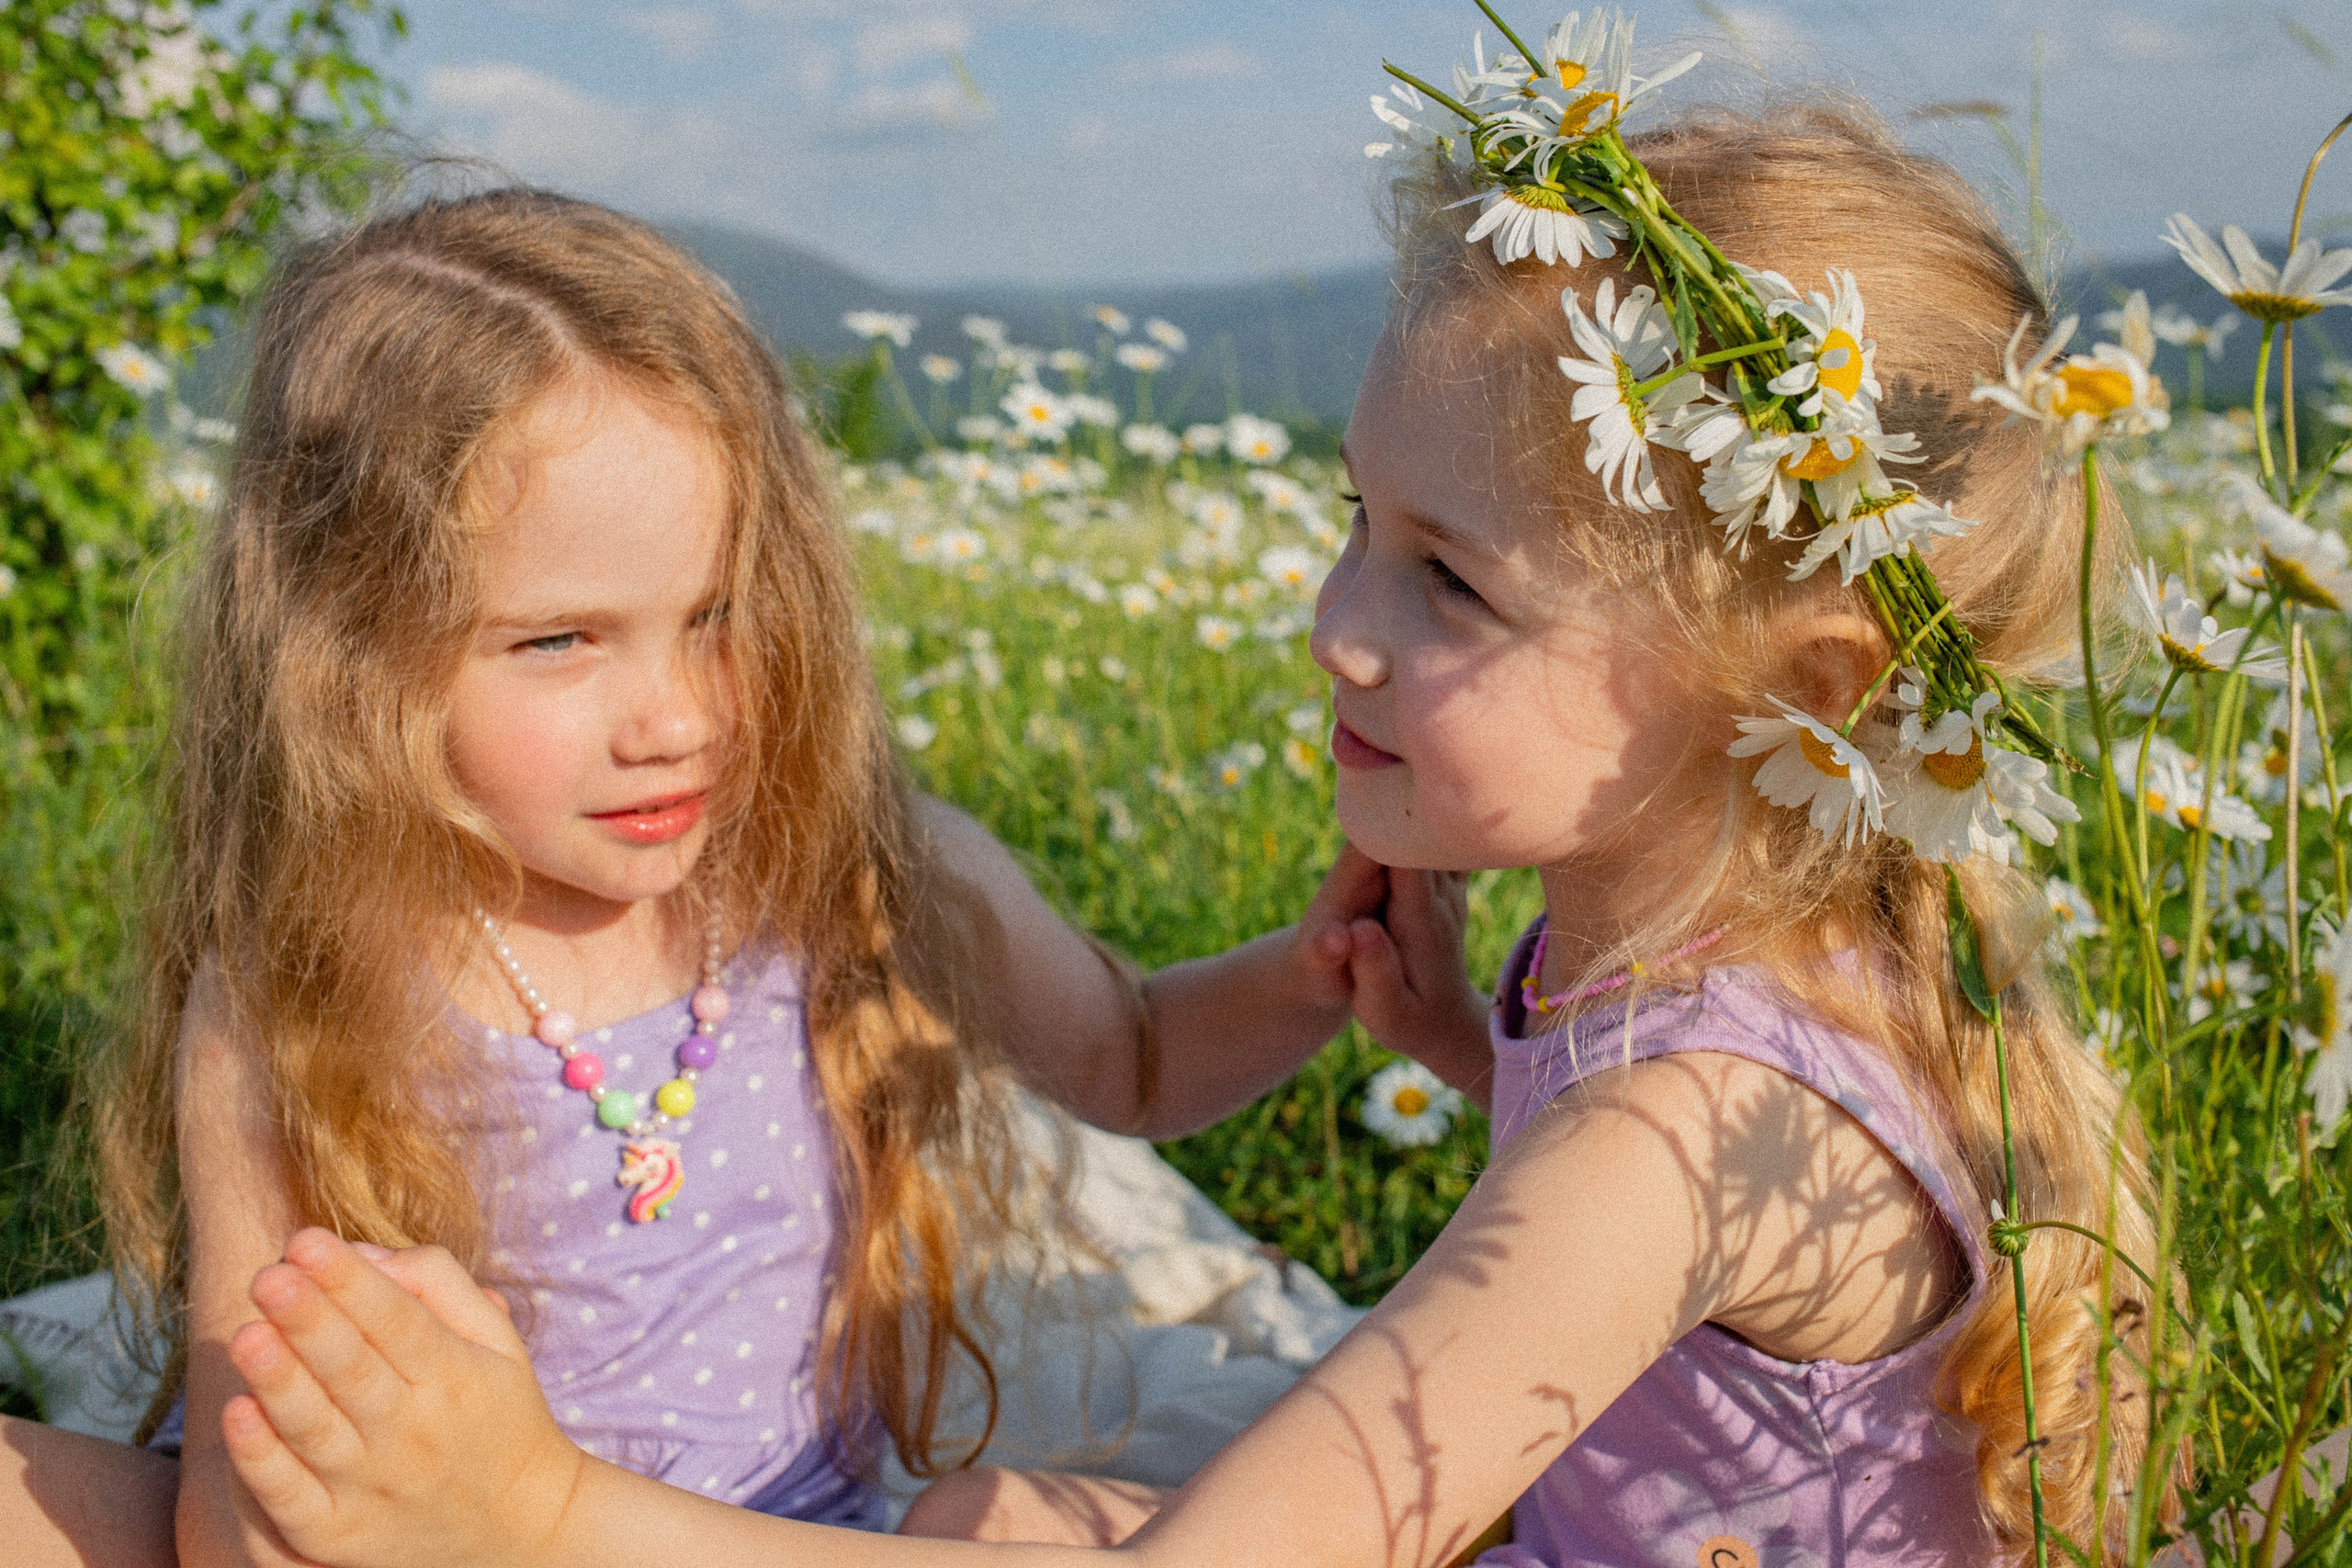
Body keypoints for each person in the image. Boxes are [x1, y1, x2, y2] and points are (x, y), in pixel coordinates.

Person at [164, 73, 2187, 1568]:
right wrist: (1453, 1046)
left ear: (1805, 692)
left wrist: (530, 1505)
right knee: (987, 1502)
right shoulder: (1714, 959)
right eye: (1350, 528)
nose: (1337, 626)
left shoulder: (1672, 1139)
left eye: (1447, 581)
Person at [0, 187, 1454, 1567]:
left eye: (715, 614)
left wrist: (1322, 970)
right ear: (352, 661)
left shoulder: (857, 875)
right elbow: (239, 1495)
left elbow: (1134, 1056)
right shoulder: (301, 998)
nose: (679, 718)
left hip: (780, 1538)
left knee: (1002, 1524)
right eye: (559, 641)